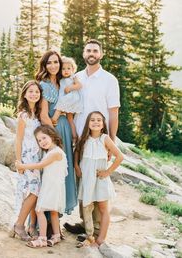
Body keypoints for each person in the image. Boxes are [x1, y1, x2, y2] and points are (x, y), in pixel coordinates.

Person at [64, 39, 120, 235]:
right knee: (83, 179)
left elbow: (113, 113)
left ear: (101, 54)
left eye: (95, 50)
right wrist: (72, 131)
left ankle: (96, 228)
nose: (92, 53)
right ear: (83, 53)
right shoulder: (76, 77)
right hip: (79, 139)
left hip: (99, 139)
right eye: (88, 50)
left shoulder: (109, 80)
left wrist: (111, 141)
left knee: (97, 181)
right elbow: (69, 106)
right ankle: (84, 222)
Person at [35, 50, 77, 215]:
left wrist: (72, 130)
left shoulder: (64, 83)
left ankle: (56, 216)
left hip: (65, 127)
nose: (53, 66)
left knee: (62, 172)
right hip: (53, 132)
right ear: (45, 65)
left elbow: (71, 108)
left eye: (56, 62)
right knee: (50, 173)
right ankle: (43, 218)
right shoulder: (45, 85)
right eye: (49, 63)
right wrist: (54, 138)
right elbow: (44, 115)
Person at [75, 111, 123, 247]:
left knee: (103, 209)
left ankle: (101, 239)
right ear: (88, 124)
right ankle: (89, 235)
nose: (95, 122)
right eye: (92, 120)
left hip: (100, 179)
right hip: (87, 179)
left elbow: (120, 156)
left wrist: (108, 171)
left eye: (99, 120)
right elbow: (77, 152)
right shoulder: (83, 138)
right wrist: (76, 167)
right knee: (87, 206)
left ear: (103, 124)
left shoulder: (105, 138)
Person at [15, 125, 68, 248]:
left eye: (44, 138)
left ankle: (42, 238)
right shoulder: (51, 151)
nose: (42, 142)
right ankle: (56, 236)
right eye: (39, 140)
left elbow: (40, 165)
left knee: (39, 210)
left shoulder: (56, 153)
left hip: (51, 186)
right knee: (53, 212)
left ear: (52, 136)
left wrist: (22, 166)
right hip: (54, 186)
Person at [10, 80, 42, 241]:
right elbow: (18, 139)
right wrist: (18, 161)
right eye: (31, 91)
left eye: (37, 92)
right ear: (24, 94)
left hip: (38, 156)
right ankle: (19, 225)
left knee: (33, 191)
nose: (34, 94)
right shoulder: (23, 115)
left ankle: (25, 225)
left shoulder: (39, 113)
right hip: (27, 157)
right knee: (33, 192)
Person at [51, 56, 82, 144]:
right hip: (67, 99)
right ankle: (74, 136)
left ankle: (54, 119)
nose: (66, 71)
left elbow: (79, 85)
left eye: (69, 68)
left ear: (73, 69)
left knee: (60, 105)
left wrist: (71, 87)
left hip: (71, 97)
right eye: (63, 69)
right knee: (70, 119)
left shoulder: (73, 77)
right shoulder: (60, 79)